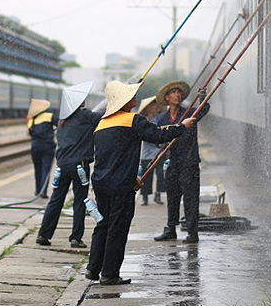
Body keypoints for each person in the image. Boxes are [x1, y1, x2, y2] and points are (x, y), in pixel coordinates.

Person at [86, 80, 194, 285]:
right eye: (131, 95)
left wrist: (130, 177)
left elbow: (111, 157)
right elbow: (158, 135)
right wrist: (182, 127)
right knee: (118, 228)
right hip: (120, 186)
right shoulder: (132, 120)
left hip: (101, 183)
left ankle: (93, 267)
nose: (135, 97)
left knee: (103, 225)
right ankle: (109, 274)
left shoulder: (102, 124)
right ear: (124, 101)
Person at [36, 81, 102, 248]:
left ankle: (44, 234)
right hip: (79, 165)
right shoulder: (85, 115)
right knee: (80, 200)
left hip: (62, 165)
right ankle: (75, 238)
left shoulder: (62, 119)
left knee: (56, 200)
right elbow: (104, 117)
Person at [153, 80, 209, 244]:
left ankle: (192, 232)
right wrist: (162, 144)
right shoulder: (162, 119)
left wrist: (202, 97)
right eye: (173, 92)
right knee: (172, 197)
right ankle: (171, 229)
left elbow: (204, 109)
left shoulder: (190, 113)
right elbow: (157, 137)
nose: (177, 95)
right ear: (167, 97)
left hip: (189, 162)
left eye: (179, 92)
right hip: (172, 163)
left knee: (191, 198)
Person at [136, 97, 165, 206]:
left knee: (160, 174)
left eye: (155, 105)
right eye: (152, 106)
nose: (155, 107)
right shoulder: (143, 121)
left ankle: (158, 194)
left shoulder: (159, 120)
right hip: (147, 154)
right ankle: (145, 197)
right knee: (146, 176)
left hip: (159, 152)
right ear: (147, 108)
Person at [26, 98, 57, 198]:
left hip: (35, 147)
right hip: (48, 146)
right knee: (46, 168)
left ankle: (38, 190)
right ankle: (43, 191)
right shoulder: (49, 116)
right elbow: (60, 125)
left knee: (37, 168)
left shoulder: (32, 120)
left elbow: (30, 133)